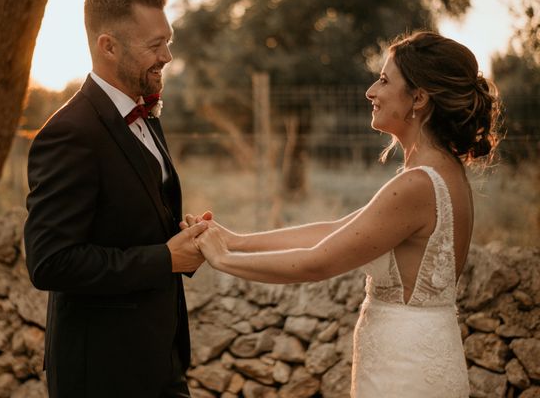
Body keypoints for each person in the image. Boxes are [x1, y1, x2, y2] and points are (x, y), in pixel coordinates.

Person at [188, 31, 501, 397]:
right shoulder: (445, 173)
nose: (371, 91)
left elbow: (316, 262)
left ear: (418, 98)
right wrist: (236, 241)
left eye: (384, 80)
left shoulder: (417, 184)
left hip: (405, 371)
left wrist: (222, 259)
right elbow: (336, 229)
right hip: (423, 354)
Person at [24, 0, 209, 398]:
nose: (167, 55)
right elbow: (50, 262)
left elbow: (133, 221)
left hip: (160, 358)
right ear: (108, 46)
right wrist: (164, 259)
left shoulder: (147, 116)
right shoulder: (70, 132)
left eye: (169, 40)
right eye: (154, 45)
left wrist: (183, 240)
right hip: (102, 373)